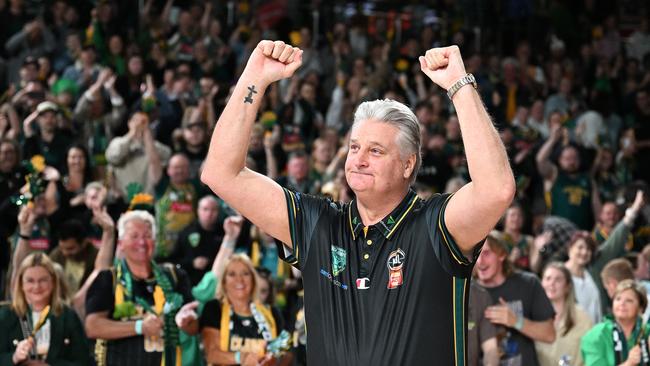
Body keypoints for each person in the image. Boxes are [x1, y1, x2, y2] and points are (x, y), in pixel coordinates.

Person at [201, 40, 515, 364]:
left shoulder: (435, 224)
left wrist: (459, 87)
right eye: (354, 147)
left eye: (375, 150)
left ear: (408, 164)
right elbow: (221, 173)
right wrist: (254, 77)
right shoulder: (317, 224)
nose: (359, 160)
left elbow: (496, 190)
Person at [84, 210, 198, 366]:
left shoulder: (175, 276)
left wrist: (187, 322)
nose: (142, 243)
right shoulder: (108, 279)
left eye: (147, 236)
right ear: (121, 244)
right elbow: (93, 326)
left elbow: (193, 329)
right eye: (134, 236)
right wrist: (139, 327)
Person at [476, 232, 555, 365]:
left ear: (502, 254)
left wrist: (516, 321)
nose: (479, 261)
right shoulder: (467, 291)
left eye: (487, 253)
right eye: (476, 254)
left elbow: (549, 334)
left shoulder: (528, 283)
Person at [0, 253, 92, 365]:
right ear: (21, 284)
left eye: (43, 280)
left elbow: (84, 362)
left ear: (53, 282)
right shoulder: (6, 315)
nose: (37, 286)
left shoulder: (68, 316)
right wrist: (14, 357)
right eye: (30, 280)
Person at [199, 254, 288, 366]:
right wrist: (241, 357)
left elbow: (286, 353)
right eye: (232, 274)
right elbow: (211, 354)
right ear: (223, 281)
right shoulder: (214, 309)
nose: (239, 280)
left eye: (245, 274)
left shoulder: (272, 313)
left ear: (253, 279)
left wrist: (273, 360)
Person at [581, 280, 650, 366]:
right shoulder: (596, 335)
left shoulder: (647, 333)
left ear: (640, 308)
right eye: (618, 299)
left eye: (629, 301)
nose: (622, 303)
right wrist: (629, 363)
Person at [536, 262, 593, 366]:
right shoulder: (532, 315)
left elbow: (590, 354)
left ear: (567, 287)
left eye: (558, 280)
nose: (552, 283)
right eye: (548, 278)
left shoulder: (582, 318)